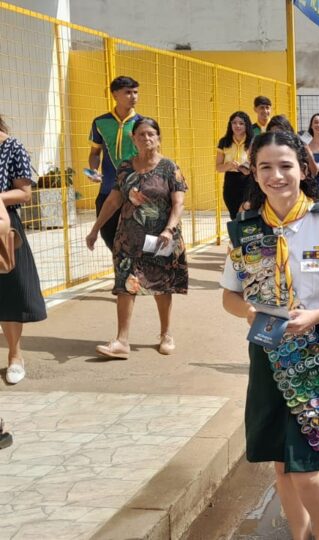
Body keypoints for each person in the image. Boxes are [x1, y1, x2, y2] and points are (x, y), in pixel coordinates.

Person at [220, 130, 319, 540]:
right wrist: (249, 310)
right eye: (265, 167)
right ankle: (298, 534)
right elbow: (229, 296)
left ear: (303, 169)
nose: (276, 176)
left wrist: (318, 314)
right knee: (281, 461)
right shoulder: (247, 229)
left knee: (306, 461)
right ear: (254, 172)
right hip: (268, 346)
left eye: (285, 166)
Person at [85, 118, 188, 359]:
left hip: (161, 237)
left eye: (151, 134)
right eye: (141, 134)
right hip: (129, 237)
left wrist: (169, 229)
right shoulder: (125, 167)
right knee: (125, 284)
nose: (146, 138)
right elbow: (113, 200)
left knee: (162, 285)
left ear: (159, 138)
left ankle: (166, 334)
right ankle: (121, 341)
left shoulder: (170, 167)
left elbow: (178, 202)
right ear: (134, 139)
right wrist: (95, 229)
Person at [0, 113, 47, 384]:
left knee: (10, 289)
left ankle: (15, 355)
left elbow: (25, 193)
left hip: (3, 226)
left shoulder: (12, 147)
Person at [88, 75, 142, 251]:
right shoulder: (100, 122)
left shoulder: (142, 123)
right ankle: (125, 273)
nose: (133, 96)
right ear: (114, 95)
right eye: (128, 92)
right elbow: (95, 152)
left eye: (135, 92)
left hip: (136, 191)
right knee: (108, 235)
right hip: (107, 189)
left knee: (135, 240)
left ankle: (131, 275)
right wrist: (93, 170)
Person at [216, 111, 254, 220]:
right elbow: (218, 167)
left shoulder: (252, 141)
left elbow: (257, 163)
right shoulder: (224, 142)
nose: (237, 126)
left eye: (241, 123)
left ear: (246, 125)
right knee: (234, 216)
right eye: (234, 123)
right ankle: (236, 237)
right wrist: (229, 165)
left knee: (247, 213)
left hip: (248, 181)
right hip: (230, 182)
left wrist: (247, 168)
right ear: (230, 125)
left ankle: (248, 236)